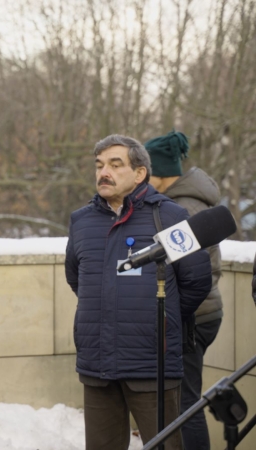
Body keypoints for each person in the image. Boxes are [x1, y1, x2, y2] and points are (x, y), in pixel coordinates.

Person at [65, 134, 212, 450]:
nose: (105, 172)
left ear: (140, 173)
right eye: (100, 165)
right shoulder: (81, 221)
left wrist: (162, 318)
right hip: (97, 364)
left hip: (152, 365)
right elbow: (77, 279)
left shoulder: (169, 217)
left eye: (116, 165)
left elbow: (197, 280)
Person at [145, 131, 223, 450]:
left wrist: (176, 317)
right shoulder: (180, 201)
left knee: (185, 407)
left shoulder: (183, 207)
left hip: (193, 318)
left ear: (159, 172)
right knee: (178, 404)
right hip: (199, 314)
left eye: (144, 170)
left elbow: (195, 273)